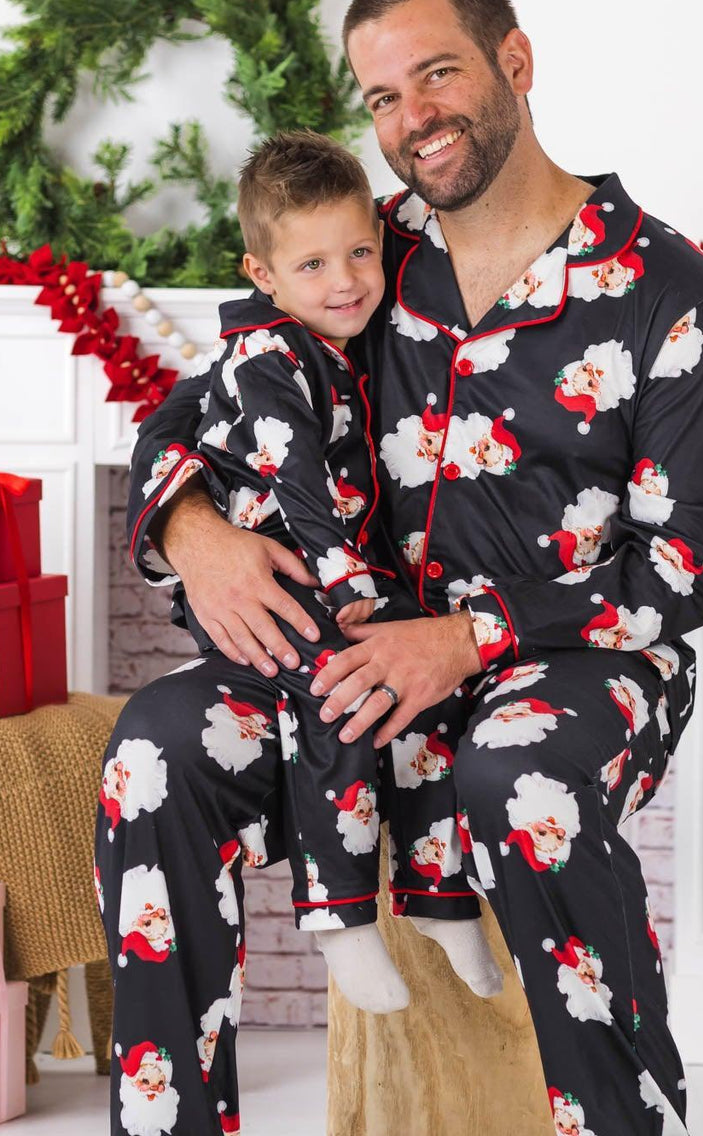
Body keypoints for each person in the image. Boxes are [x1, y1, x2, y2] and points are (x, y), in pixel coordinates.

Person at [97, 0, 703, 1136]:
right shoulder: (356, 254)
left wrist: (466, 640)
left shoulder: (669, 292)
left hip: (575, 664)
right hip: (358, 655)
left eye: (436, 73)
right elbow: (191, 409)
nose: (413, 119)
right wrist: (193, 533)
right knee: (156, 747)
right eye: (384, 97)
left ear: (515, 63)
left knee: (521, 773)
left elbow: (685, 569)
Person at [141, 127, 503, 1018]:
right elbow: (299, 484)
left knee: (424, 696)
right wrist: (351, 592)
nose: (345, 281)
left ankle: (439, 897)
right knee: (346, 696)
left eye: (357, 252)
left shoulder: (336, 336)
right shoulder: (266, 358)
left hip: (326, 575)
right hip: (278, 584)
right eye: (312, 266)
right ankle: (340, 920)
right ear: (261, 273)